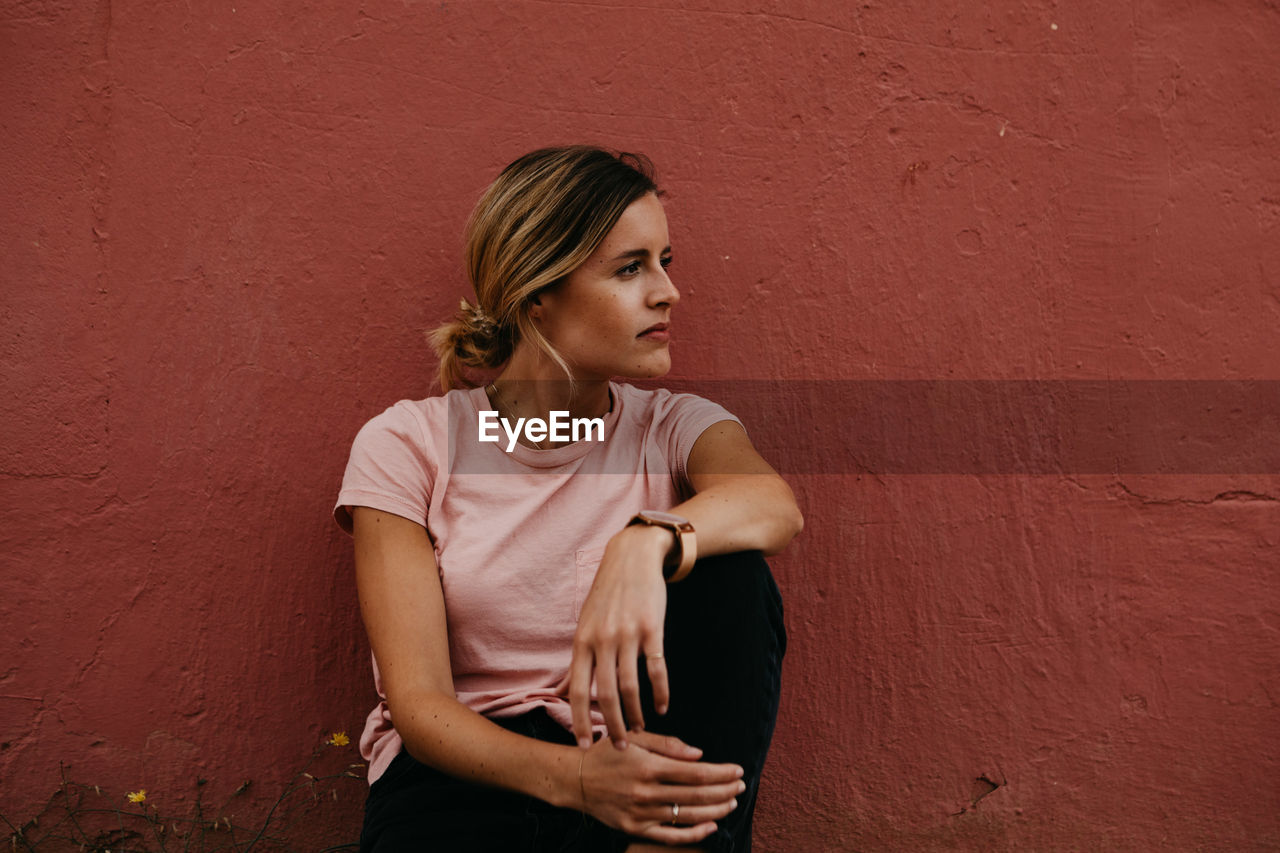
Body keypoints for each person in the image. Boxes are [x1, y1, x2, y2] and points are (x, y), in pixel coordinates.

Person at [334, 146, 803, 852]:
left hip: (638, 771)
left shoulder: (673, 426)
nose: (667, 291)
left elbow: (771, 505)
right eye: (629, 268)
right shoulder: (410, 444)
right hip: (467, 782)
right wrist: (579, 777)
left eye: (664, 261)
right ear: (536, 295)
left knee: (731, 568)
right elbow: (421, 705)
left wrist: (645, 538)